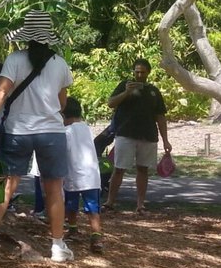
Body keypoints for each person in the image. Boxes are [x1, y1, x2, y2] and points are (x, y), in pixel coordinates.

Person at [0, 10, 74, 263]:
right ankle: (58, 246)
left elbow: (1, 93)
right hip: (51, 132)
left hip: (18, 130)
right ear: (48, 38)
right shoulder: (59, 63)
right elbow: (62, 103)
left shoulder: (14, 59)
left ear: (26, 37)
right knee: (53, 189)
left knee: (7, 186)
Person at [103, 58, 172, 214]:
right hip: (125, 134)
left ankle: (140, 205)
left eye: (142, 72)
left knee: (143, 170)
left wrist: (166, 140)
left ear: (148, 73)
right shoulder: (124, 85)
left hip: (148, 136)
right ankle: (109, 202)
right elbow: (111, 103)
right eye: (137, 71)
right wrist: (127, 92)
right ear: (133, 72)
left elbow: (160, 117)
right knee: (119, 168)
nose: (139, 75)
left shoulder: (154, 91)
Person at [61, 97, 104, 253]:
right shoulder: (86, 128)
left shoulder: (66, 131)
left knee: (71, 204)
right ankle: (96, 235)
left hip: (74, 174)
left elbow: (63, 150)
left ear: (64, 116)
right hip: (91, 176)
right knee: (93, 207)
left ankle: (73, 229)